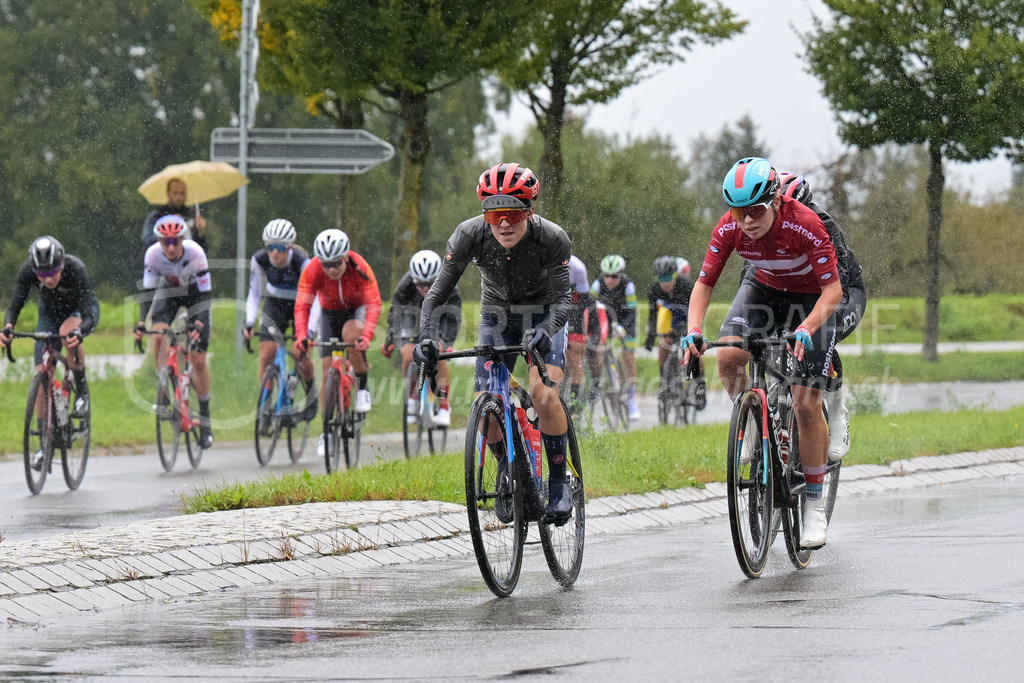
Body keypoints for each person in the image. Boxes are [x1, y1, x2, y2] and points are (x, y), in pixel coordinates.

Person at [683, 157, 843, 549]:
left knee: (806, 403)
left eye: (755, 210)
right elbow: (704, 285)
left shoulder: (804, 224)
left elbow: (833, 291)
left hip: (810, 298)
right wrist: (694, 331)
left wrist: (806, 328)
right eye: (739, 212)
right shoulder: (729, 227)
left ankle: (814, 507)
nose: (747, 221)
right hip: (764, 290)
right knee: (728, 356)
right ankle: (754, 421)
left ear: (775, 202)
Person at [415, 162, 574, 524]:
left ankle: (559, 482)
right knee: (485, 408)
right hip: (496, 315)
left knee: (543, 393)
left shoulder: (552, 238)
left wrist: (547, 329)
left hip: (545, 314)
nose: (504, 223)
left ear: (529, 211)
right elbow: (435, 295)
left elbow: (565, 300)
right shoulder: (468, 235)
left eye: (513, 214)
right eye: (494, 214)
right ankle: (509, 469)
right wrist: (426, 336)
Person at [2, 237, 100, 446]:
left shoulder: (76, 268)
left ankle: (81, 391)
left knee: (68, 334)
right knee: (41, 373)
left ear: (62, 264)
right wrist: (8, 327)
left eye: (53, 272)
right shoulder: (27, 271)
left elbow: (88, 315)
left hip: (80, 310)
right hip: (50, 312)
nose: (47, 279)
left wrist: (80, 330)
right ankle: (44, 440)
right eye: (42, 274)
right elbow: (14, 308)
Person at [293, 229, 382, 458]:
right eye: (326, 264)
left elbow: (373, 303)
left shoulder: (360, 265)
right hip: (330, 313)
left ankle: (362, 388)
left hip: (357, 309)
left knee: (351, 334)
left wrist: (367, 336)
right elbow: (303, 306)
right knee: (326, 370)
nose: (331, 269)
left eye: (335, 263)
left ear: (345, 258)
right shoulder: (312, 270)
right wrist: (302, 334)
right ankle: (327, 430)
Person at [133, 215, 215, 449]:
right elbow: (148, 293)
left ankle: (206, 419)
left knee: (198, 359)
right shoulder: (152, 255)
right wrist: (140, 322)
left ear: (182, 240)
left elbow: (205, 295)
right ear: (159, 241)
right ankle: (163, 387)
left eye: (174, 241)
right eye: (165, 242)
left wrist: (199, 323)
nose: (170, 247)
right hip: (168, 293)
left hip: (195, 296)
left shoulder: (195, 253)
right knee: (158, 334)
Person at [243, 219, 318, 422]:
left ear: (290, 247)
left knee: (299, 352)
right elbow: (254, 293)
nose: (275, 253)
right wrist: (249, 322)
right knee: (267, 354)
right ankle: (266, 405)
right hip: (275, 304)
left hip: (301, 306)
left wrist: (309, 332)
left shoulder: (302, 262)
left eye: (280, 248)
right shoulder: (259, 259)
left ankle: (311, 395)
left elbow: (317, 297)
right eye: (270, 247)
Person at [381, 250, 463, 427]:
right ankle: (412, 398)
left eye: (430, 284)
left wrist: (447, 343)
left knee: (438, 354)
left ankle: (444, 407)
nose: (425, 288)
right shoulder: (405, 285)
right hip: (414, 319)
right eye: (420, 284)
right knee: (407, 354)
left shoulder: (450, 286)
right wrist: (391, 339)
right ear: (413, 279)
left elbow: (453, 319)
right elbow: (396, 314)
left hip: (439, 320)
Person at [644, 255, 704, 409]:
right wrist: (650, 336)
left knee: (694, 348)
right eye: (661, 278)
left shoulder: (687, 286)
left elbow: (696, 311)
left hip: (688, 316)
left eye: (668, 278)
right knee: (664, 344)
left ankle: (699, 386)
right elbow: (653, 316)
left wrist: (690, 329)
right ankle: (664, 379)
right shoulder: (654, 290)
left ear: (675, 275)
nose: (664, 283)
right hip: (669, 318)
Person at [591, 254, 641, 421]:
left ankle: (631, 398)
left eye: (614, 276)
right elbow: (589, 306)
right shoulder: (597, 284)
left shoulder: (628, 286)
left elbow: (632, 312)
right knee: (598, 350)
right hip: (606, 319)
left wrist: (622, 328)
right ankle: (603, 385)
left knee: (628, 356)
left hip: (626, 320)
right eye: (607, 276)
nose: (610, 280)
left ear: (621, 275)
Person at [564, 255, 607, 415]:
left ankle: (592, 387)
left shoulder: (578, 270)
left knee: (583, 351)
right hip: (569, 312)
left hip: (593, 320)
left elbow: (581, 310)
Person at [140, 178, 209, 257]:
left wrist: (201, 233)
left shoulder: (192, 217)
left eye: (182, 193)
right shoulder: (156, 216)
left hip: (188, 265)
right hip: (163, 265)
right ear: (168, 194)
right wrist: (167, 226)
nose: (179, 197)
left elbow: (202, 252)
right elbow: (147, 243)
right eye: (175, 193)